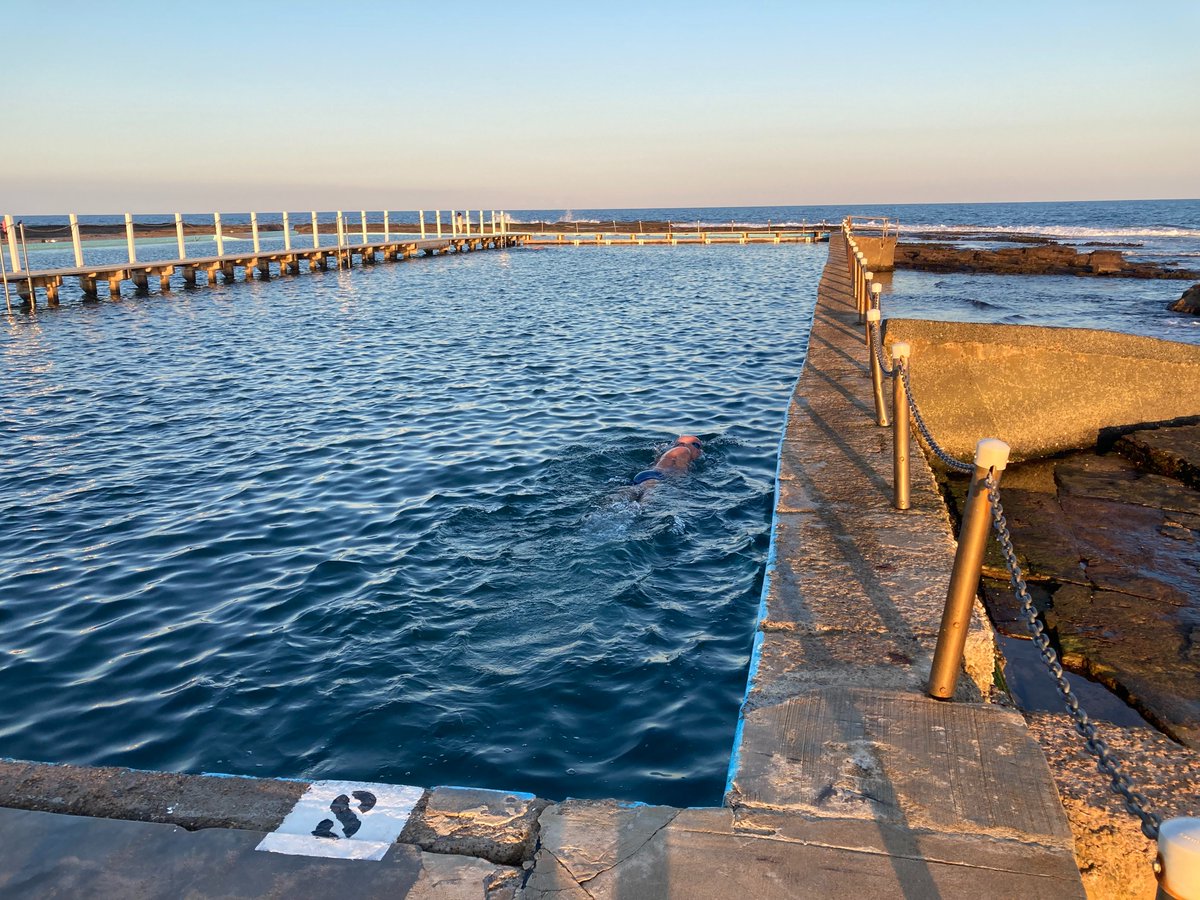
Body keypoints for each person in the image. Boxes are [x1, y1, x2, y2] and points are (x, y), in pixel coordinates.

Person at [631, 435, 702, 496]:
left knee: (630, 493)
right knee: (646, 502)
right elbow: (680, 473)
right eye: (696, 445)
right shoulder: (684, 450)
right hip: (655, 477)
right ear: (682, 444)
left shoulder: (666, 455)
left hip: (648, 475)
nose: (700, 451)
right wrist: (681, 488)